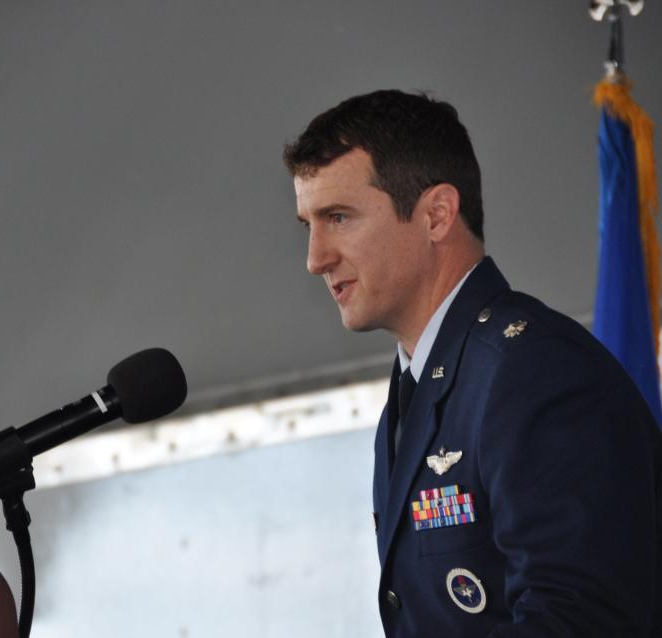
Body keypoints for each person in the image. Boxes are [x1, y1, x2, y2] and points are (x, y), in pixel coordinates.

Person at [284, 89, 662, 637]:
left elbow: (579, 620)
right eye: (308, 226)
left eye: (338, 217)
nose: (316, 258)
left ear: (437, 215)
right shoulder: (421, 386)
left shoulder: (535, 372)